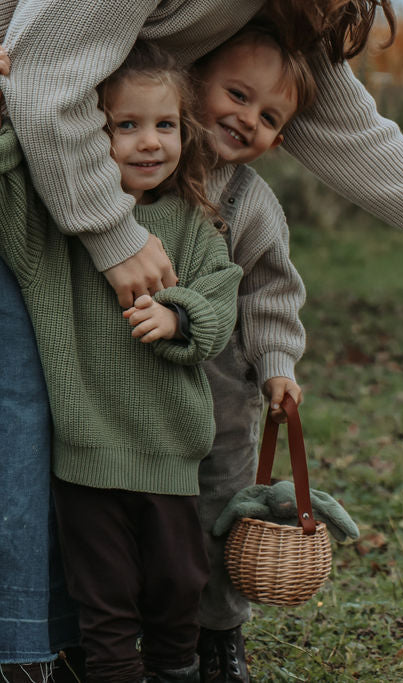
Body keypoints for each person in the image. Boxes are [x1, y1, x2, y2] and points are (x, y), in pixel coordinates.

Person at [0, 0, 403, 677]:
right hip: (29, 167)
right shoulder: (139, 179)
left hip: (177, 372)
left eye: (270, 117)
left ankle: (156, 639)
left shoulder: (265, 93)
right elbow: (40, 78)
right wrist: (112, 232)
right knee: (30, 421)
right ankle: (38, 646)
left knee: (174, 498)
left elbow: (351, 139)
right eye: (236, 97)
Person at [0, 41, 242, 682]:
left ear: (183, 132)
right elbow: (8, 182)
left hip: (169, 453)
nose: (148, 143)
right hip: (87, 457)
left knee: (176, 589)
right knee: (102, 604)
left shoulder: (191, 224)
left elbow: (222, 296)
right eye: (124, 126)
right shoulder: (59, 231)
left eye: (163, 125)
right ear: (88, 135)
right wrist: (7, 105)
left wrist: (178, 314)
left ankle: (174, 671)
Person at [188, 23, 316, 680]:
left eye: (268, 117)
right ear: (194, 80)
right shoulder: (138, 163)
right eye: (237, 95)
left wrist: (276, 368)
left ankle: (219, 633)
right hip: (126, 391)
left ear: (279, 140)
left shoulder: (251, 204)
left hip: (219, 395)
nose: (247, 119)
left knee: (220, 509)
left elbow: (269, 293)